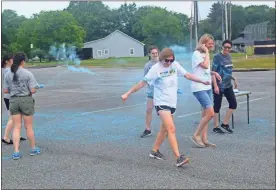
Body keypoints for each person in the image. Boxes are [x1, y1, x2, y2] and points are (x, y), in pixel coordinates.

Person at [121, 48, 210, 167]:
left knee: (164, 129)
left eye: (171, 60)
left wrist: (202, 81)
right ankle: (179, 157)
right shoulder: (155, 69)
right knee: (171, 129)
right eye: (166, 61)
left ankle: (154, 151)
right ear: (161, 59)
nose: (169, 63)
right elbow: (142, 83)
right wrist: (128, 93)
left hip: (172, 103)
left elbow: (187, 75)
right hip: (161, 103)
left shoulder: (175, 65)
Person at [4, 52, 41, 160]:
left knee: (16, 127)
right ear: (22, 62)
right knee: (28, 126)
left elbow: (6, 90)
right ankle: (33, 149)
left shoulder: (8, 74)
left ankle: (16, 152)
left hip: (13, 101)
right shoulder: (28, 73)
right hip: (25, 100)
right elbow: (33, 90)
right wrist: (36, 87)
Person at [190, 34, 222, 148]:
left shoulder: (204, 54)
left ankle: (204, 139)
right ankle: (196, 135)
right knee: (210, 113)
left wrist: (214, 73)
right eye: (209, 43)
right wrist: (207, 52)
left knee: (205, 114)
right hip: (199, 87)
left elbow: (205, 71)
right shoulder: (197, 54)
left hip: (207, 87)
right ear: (203, 43)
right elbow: (205, 65)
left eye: (212, 43)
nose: (212, 45)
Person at [212, 40, 238, 134]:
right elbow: (213, 73)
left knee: (233, 104)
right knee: (217, 106)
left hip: (228, 85)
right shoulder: (217, 57)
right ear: (222, 47)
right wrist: (215, 86)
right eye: (225, 47)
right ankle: (215, 127)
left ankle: (225, 124)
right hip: (219, 85)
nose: (227, 49)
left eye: (229, 47)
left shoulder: (229, 56)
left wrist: (233, 78)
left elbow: (227, 71)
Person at [1, 54, 26, 144]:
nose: (13, 61)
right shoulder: (8, 70)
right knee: (12, 118)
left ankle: (17, 135)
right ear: (7, 61)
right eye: (12, 60)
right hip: (11, 97)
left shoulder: (8, 70)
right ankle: (6, 137)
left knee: (16, 117)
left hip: (10, 97)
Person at [140, 46, 159, 138]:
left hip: (161, 92)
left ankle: (166, 129)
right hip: (151, 92)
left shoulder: (162, 63)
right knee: (149, 110)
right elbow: (145, 79)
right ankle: (148, 129)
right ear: (149, 54)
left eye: (156, 53)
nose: (155, 55)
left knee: (163, 112)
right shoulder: (148, 65)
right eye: (153, 53)